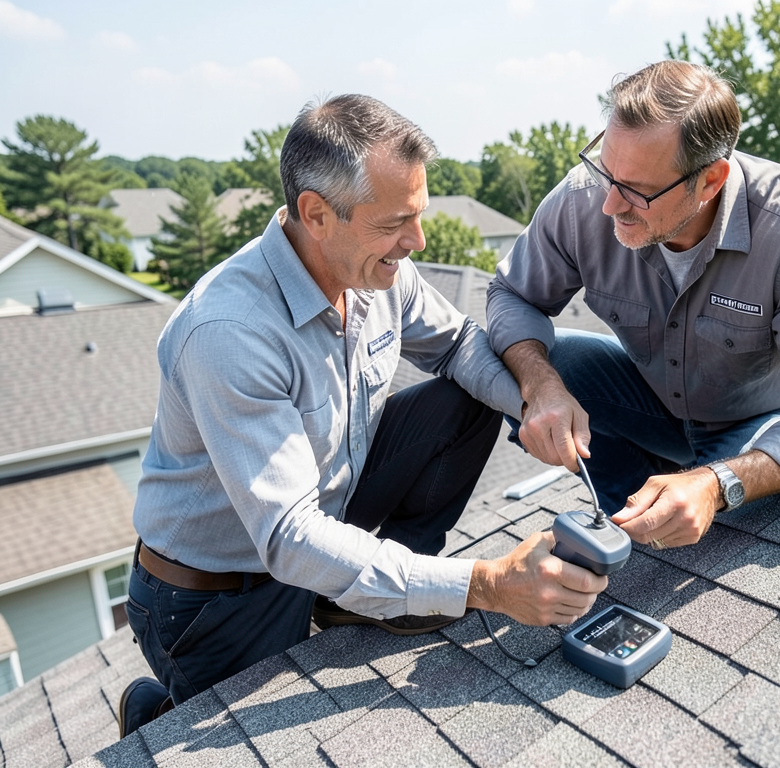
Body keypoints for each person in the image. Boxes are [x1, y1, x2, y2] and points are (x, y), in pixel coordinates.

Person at [119, 95, 607, 737]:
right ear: (316, 215)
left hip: (323, 519)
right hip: (216, 596)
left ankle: (371, 592)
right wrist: (485, 584)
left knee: (464, 398)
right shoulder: (228, 332)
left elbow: (460, 344)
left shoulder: (378, 272)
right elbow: (291, 538)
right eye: (395, 224)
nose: (418, 242)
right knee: (256, 742)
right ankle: (157, 711)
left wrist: (533, 403)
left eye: (420, 215)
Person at [486, 61, 780, 552]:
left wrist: (717, 484)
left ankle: (681, 504)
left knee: (725, 530)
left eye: (638, 190)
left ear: (711, 181)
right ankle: (627, 512)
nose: (610, 204)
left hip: (753, 432)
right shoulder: (583, 198)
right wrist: (541, 386)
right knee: (524, 365)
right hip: (653, 410)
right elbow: (511, 295)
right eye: (607, 171)